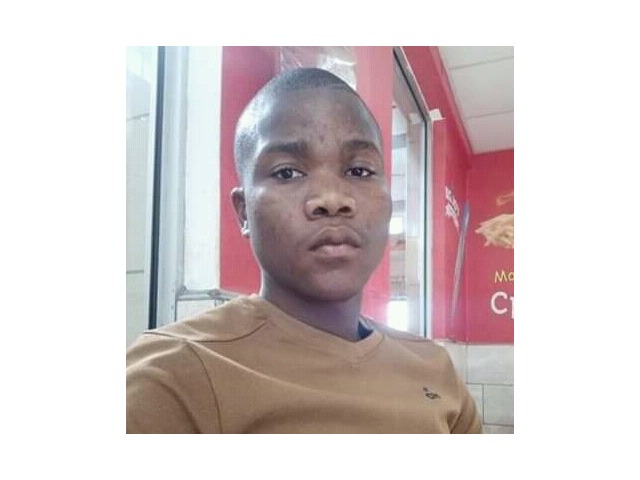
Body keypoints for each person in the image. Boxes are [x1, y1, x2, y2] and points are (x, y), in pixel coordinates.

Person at [126, 67, 481, 433]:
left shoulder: (436, 370)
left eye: (360, 171)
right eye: (287, 173)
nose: (332, 199)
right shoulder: (172, 379)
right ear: (244, 212)